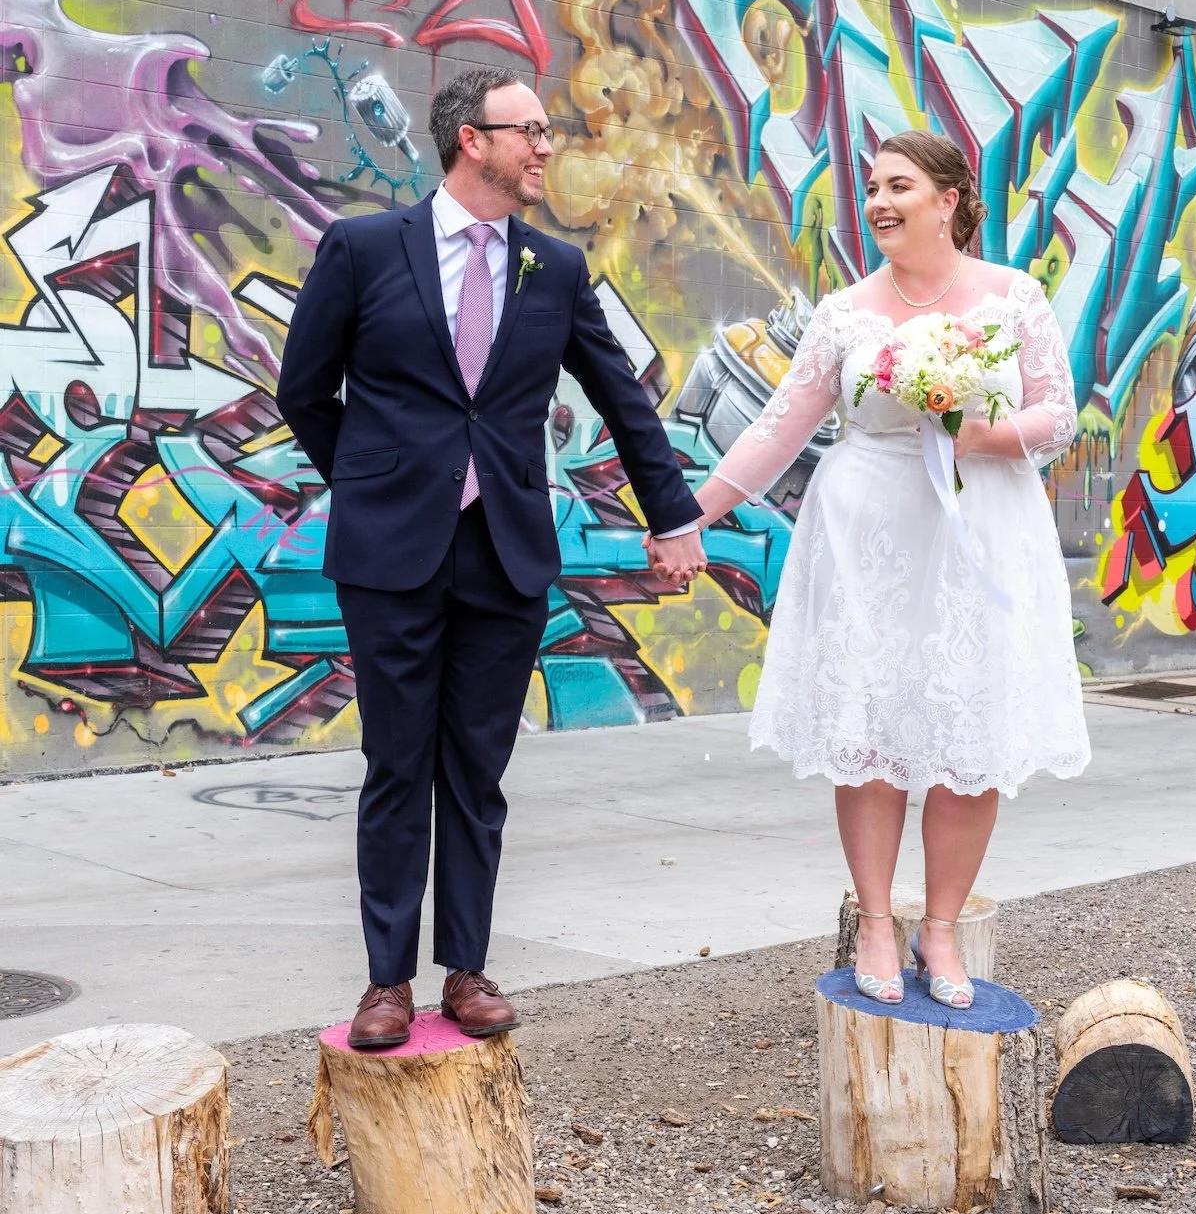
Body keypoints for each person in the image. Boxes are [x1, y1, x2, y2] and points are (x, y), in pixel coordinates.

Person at [278, 66, 707, 1048]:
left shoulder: (551, 268)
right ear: (472, 138)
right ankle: (386, 980)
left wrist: (671, 514)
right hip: (391, 553)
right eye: (531, 130)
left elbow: (621, 399)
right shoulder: (362, 248)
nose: (547, 145)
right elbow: (304, 389)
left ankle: (464, 969)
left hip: (506, 550)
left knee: (477, 768)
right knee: (397, 765)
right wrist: (374, 479)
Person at [687, 131, 1090, 1008]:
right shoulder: (845, 312)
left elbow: (1057, 411)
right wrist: (694, 515)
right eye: (871, 186)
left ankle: (940, 929)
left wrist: (986, 435)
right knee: (868, 732)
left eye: (898, 185)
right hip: (866, 533)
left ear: (949, 199)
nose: (877, 200)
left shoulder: (1014, 297)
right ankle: (876, 917)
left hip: (980, 528)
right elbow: (778, 429)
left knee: (965, 736)